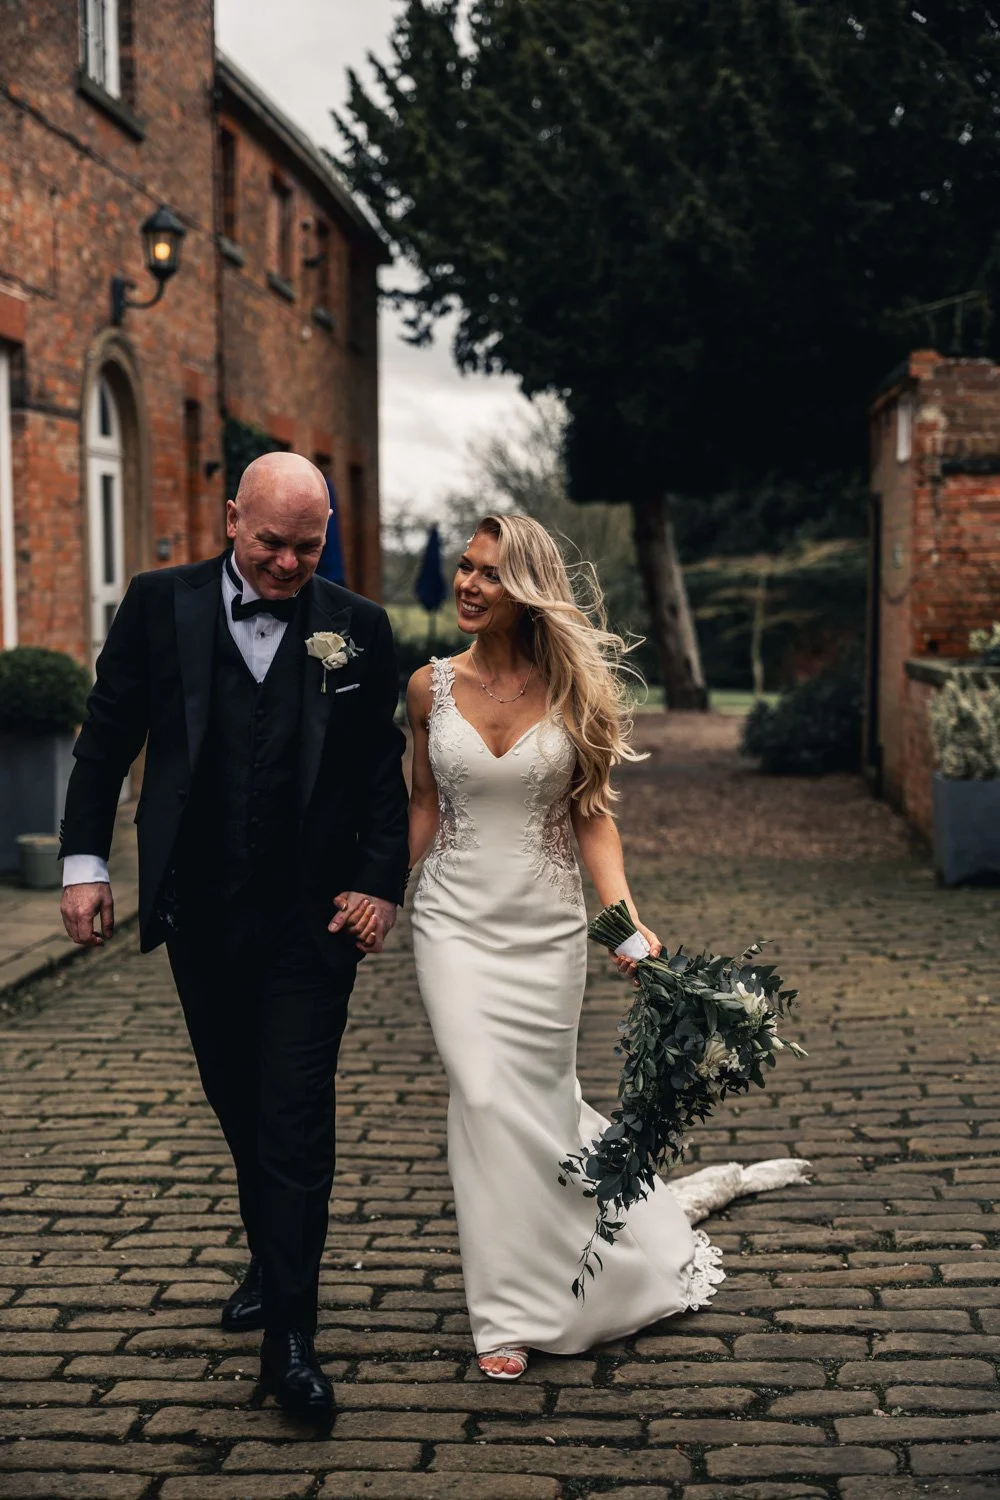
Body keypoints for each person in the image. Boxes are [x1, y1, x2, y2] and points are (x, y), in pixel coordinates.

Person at [59, 453, 409, 1430]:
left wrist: (379, 882)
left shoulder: (358, 628)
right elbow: (104, 736)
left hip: (310, 919)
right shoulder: (157, 605)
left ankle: (290, 1337)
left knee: (294, 1113)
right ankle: (272, 1250)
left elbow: (383, 766)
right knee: (239, 1101)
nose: (290, 564)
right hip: (199, 912)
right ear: (229, 520)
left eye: (308, 545)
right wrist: (84, 864)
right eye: (271, 543)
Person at [408, 515, 781, 1380]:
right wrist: (371, 891)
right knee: (483, 1093)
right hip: (452, 923)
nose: (467, 584)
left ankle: (610, 1250)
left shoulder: (578, 694)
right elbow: (424, 805)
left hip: (546, 931)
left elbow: (591, 818)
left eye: (487, 574)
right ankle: (504, 1311)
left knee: (539, 1105)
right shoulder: (427, 688)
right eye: (463, 568)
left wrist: (623, 922)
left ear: (527, 587)